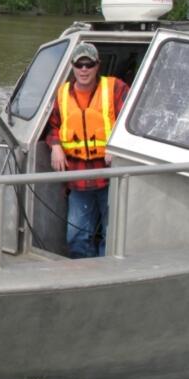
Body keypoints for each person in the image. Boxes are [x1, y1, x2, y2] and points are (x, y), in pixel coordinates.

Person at [46, 42, 129, 258]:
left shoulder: (116, 88)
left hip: (111, 176)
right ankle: (83, 272)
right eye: (79, 64)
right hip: (78, 177)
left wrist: (116, 146)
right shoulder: (62, 94)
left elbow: (132, 121)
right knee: (76, 235)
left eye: (89, 64)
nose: (84, 69)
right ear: (72, 66)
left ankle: (108, 272)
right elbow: (53, 126)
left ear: (97, 65)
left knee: (112, 234)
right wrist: (56, 147)